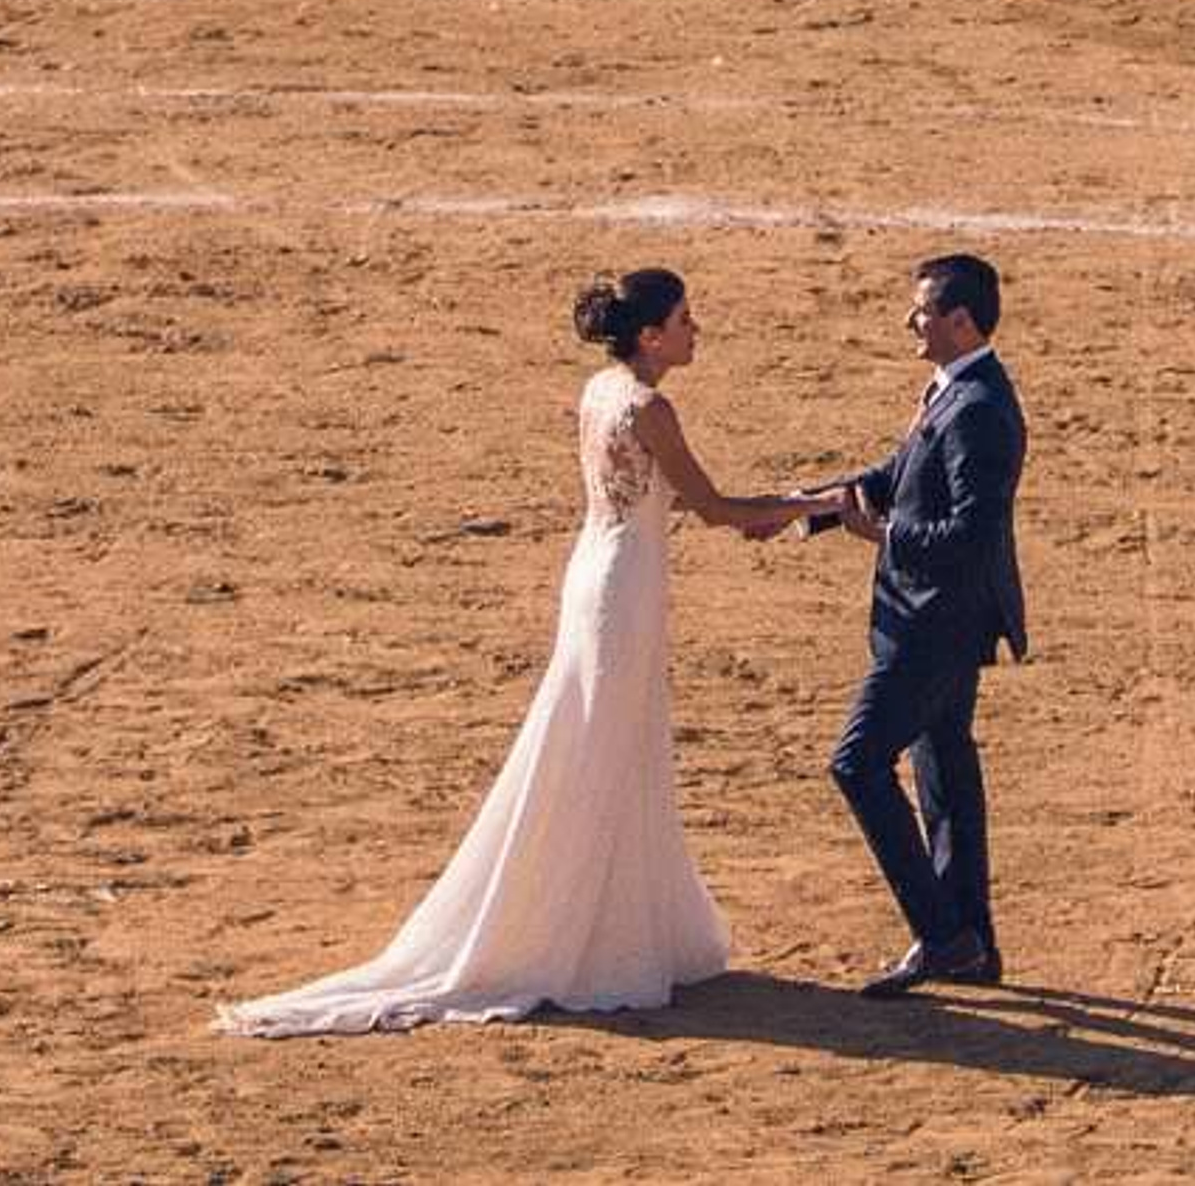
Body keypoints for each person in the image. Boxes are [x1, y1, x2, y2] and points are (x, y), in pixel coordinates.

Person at [217, 266, 797, 1033]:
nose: (698, 331)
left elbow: (671, 499)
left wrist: (772, 511)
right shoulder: (652, 407)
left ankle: (610, 927)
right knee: (606, 751)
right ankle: (582, 936)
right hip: (625, 591)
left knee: (602, 745)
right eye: (686, 319)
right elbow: (715, 509)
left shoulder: (602, 390)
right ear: (651, 335)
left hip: (600, 573)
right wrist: (809, 504)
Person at [813, 250, 1028, 998]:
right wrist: (807, 507)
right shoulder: (957, 391)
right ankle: (972, 944)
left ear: (961, 320)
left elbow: (970, 534)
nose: (913, 320)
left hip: (938, 624)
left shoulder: (980, 411)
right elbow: (897, 475)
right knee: (945, 779)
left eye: (924, 311)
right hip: (933, 620)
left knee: (859, 764)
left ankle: (942, 935)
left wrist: (883, 537)